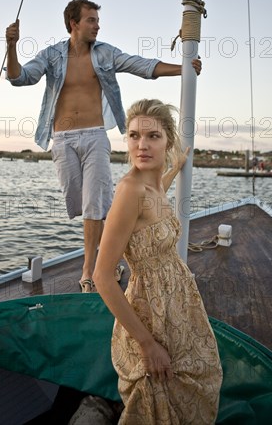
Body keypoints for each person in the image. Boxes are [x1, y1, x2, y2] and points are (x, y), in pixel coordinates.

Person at [5, 0, 202, 293]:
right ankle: (120, 233)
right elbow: (19, 78)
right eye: (91, 20)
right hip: (62, 139)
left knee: (93, 205)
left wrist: (185, 68)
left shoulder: (105, 53)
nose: (98, 25)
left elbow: (141, 65)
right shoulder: (51, 56)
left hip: (96, 134)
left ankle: (90, 271)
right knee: (79, 202)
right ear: (74, 24)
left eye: (97, 20)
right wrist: (12, 46)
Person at [93, 99, 223, 424]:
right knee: (159, 400)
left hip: (177, 306)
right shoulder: (129, 192)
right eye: (135, 136)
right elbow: (102, 277)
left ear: (167, 139)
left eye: (153, 136)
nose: (142, 145)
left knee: (195, 385)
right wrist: (148, 345)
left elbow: (156, 195)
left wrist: (176, 166)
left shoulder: (152, 185)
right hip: (151, 315)